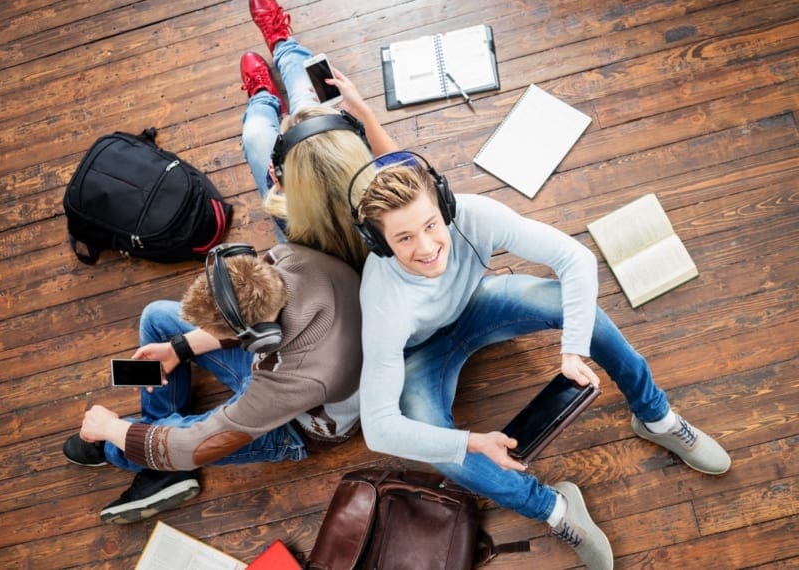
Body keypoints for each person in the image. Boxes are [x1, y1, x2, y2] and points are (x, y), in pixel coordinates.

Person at [353, 156, 731, 570]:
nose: (425, 248)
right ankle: (555, 508)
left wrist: (573, 348)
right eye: (404, 238)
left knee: (584, 314)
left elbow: (577, 259)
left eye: (430, 225)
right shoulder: (382, 300)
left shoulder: (476, 214)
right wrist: (474, 442)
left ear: (444, 206)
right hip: (422, 354)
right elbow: (379, 428)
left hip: (479, 304)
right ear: (380, 242)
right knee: (443, 452)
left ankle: (655, 417)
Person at [62, 242, 362, 523]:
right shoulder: (285, 258)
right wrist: (178, 348)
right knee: (156, 318)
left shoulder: (296, 376)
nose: (203, 334)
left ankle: (147, 459)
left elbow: (196, 445)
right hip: (285, 366)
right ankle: (162, 460)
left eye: (217, 332)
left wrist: (110, 429)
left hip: (297, 425)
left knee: (123, 445)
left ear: (259, 339)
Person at [240, 0, 399, 269]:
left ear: (280, 178)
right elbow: (399, 161)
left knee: (257, 134)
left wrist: (280, 194)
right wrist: (365, 113)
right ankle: (283, 44)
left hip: (312, 255)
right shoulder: (393, 192)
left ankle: (263, 96)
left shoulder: (287, 214)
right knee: (306, 100)